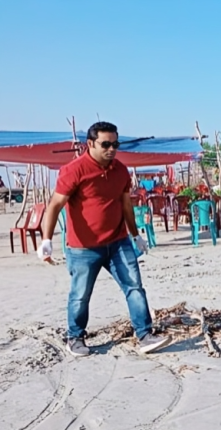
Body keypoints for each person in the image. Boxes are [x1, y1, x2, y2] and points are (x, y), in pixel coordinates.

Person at [37, 121, 171, 357]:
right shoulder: (74, 170)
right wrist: (46, 240)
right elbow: (55, 205)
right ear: (90, 144)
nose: (111, 149)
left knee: (135, 287)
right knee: (80, 295)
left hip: (118, 242)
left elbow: (126, 205)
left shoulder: (120, 170)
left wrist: (136, 235)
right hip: (83, 248)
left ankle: (145, 335)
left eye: (115, 144)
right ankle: (75, 338)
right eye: (106, 144)